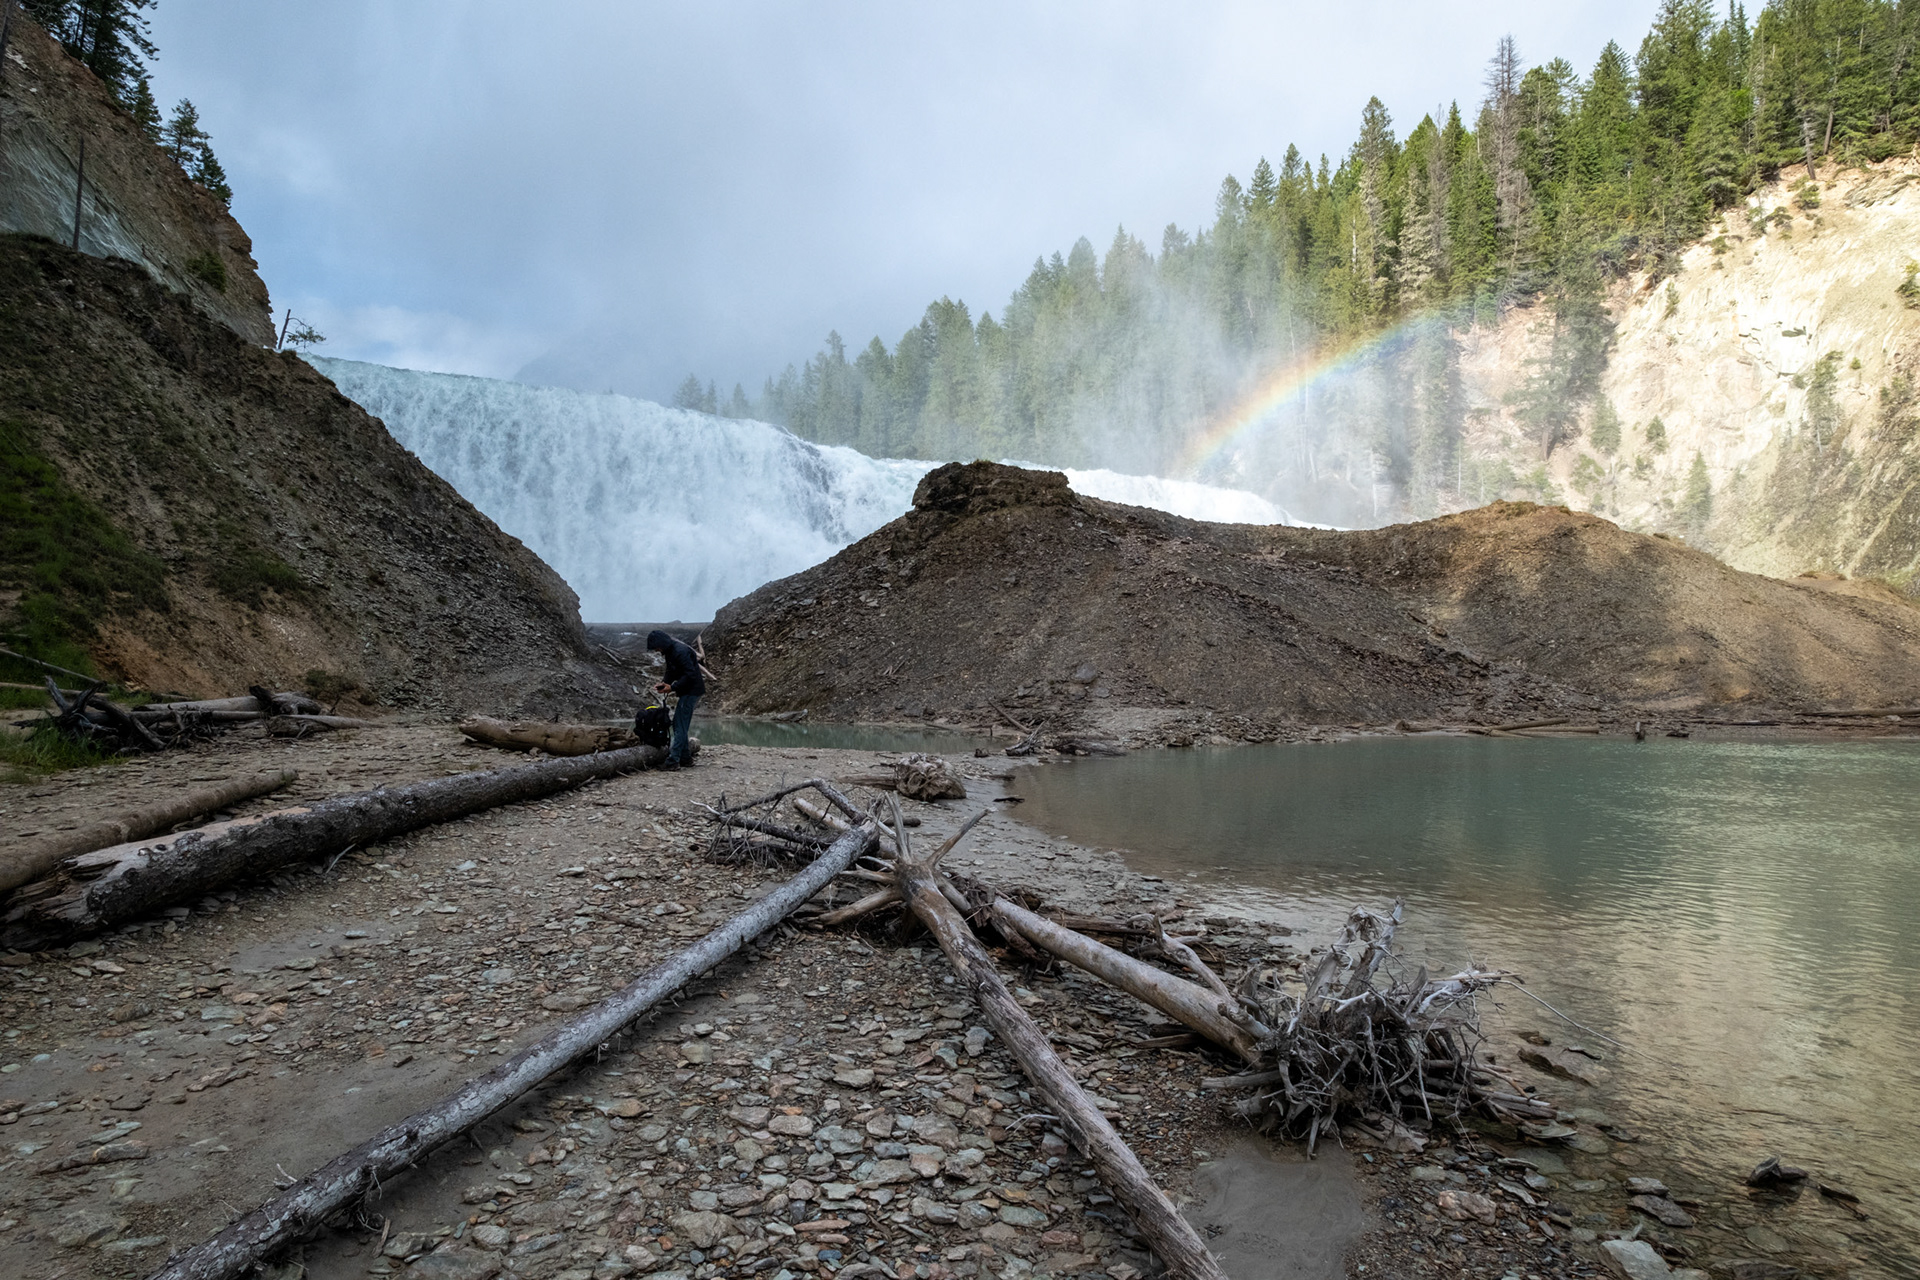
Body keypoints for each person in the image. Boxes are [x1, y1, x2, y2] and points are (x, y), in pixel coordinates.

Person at [646, 629, 706, 768]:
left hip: (692, 691)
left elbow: (690, 675)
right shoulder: (670, 651)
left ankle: (673, 761)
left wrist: (672, 688)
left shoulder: (680, 651)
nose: (657, 650)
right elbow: (671, 671)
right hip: (687, 691)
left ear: (662, 644)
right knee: (680, 725)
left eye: (657, 647)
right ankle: (685, 758)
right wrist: (664, 683)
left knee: (679, 725)